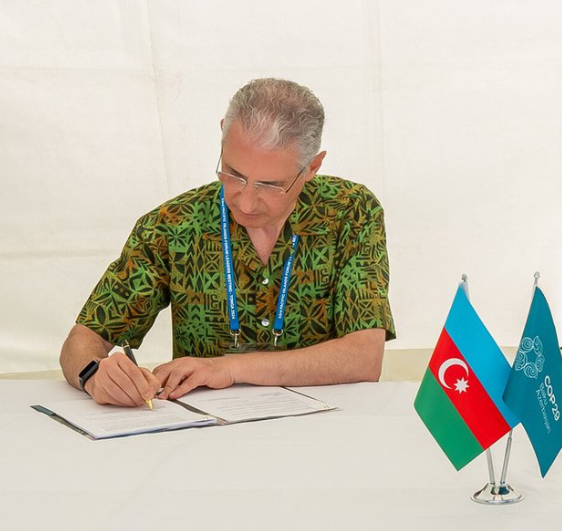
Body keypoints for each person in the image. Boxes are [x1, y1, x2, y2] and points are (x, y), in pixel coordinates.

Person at [61, 78, 394, 405]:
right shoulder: (171, 225)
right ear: (222, 136)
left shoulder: (351, 211)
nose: (246, 202)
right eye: (233, 174)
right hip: (207, 438)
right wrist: (93, 373)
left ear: (312, 167)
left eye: (270, 185)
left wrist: (226, 368)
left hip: (327, 432)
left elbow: (364, 357)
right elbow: (83, 340)